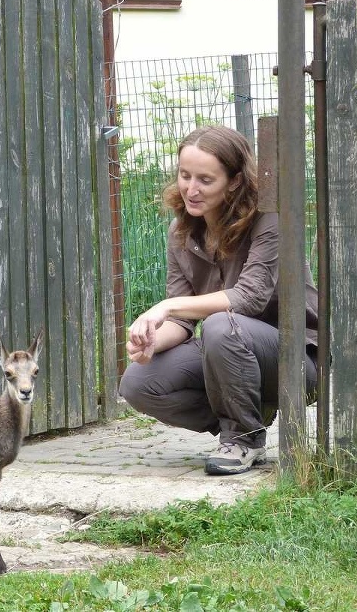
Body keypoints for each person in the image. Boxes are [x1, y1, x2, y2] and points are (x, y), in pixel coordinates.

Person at [119, 124, 319, 475]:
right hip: (223, 348)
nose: (190, 190)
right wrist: (153, 338)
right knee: (138, 383)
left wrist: (165, 307)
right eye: (184, 176)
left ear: (235, 181)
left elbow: (249, 298)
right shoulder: (180, 232)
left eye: (205, 180)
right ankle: (248, 416)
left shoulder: (268, 221)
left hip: (294, 358)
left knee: (221, 326)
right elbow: (182, 322)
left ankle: (244, 439)